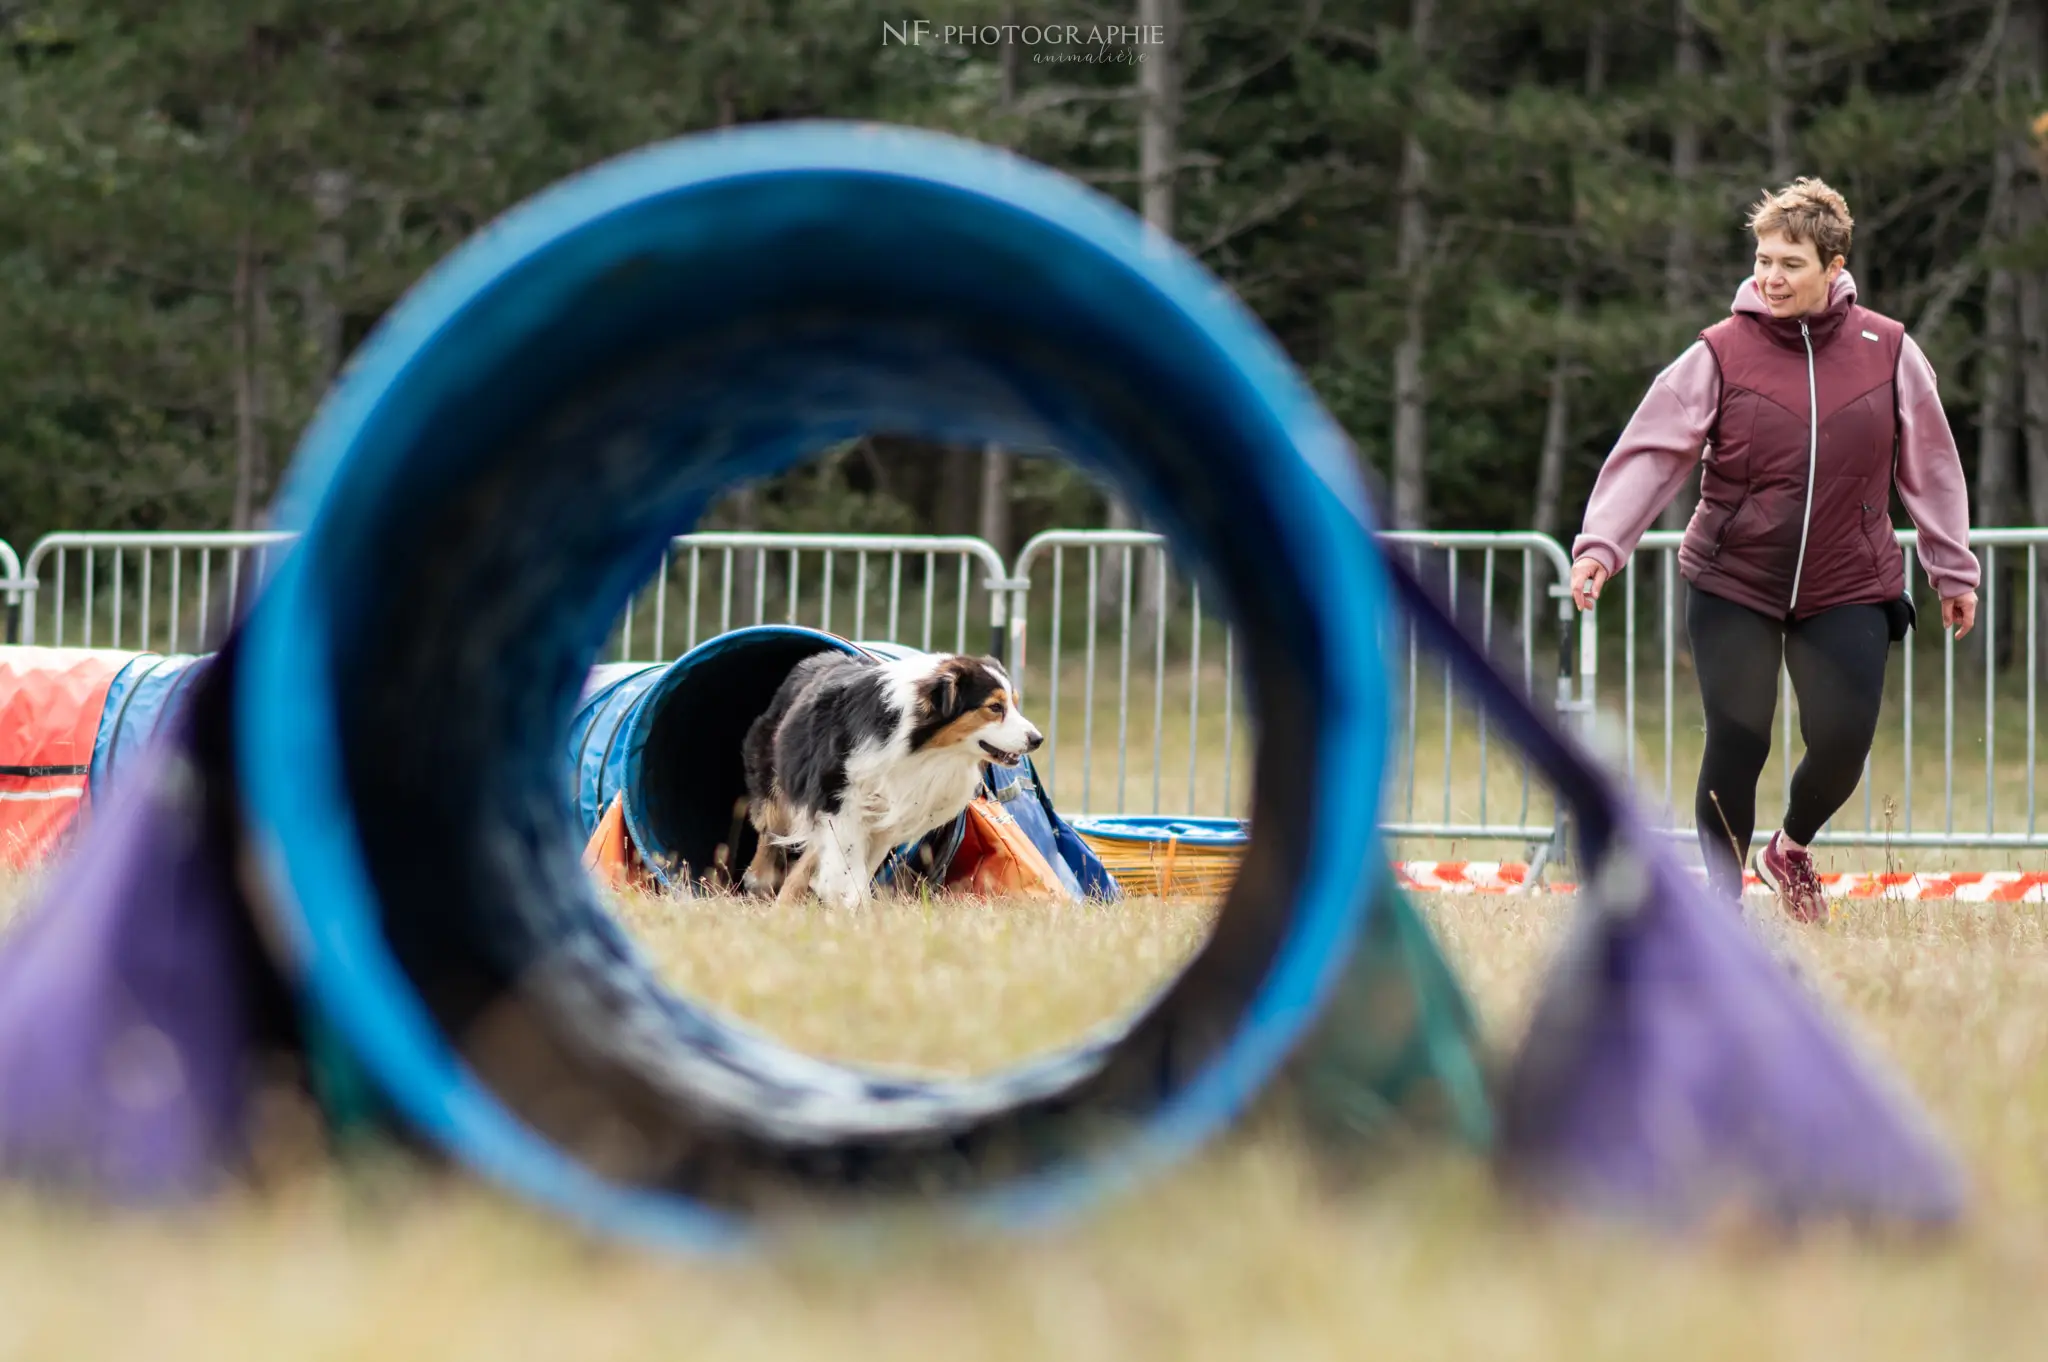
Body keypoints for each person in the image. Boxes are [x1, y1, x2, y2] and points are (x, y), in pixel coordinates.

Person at [1568, 177, 1979, 921]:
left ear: (1833, 263)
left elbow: (1933, 464)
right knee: (1739, 733)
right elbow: (1652, 452)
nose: (1770, 276)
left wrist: (1952, 569)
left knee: (1842, 742)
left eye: (1791, 261)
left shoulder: (1887, 351)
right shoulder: (1721, 352)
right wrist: (1602, 546)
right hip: (1736, 579)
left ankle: (1790, 846)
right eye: (1763, 259)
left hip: (1849, 578)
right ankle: (1720, 918)